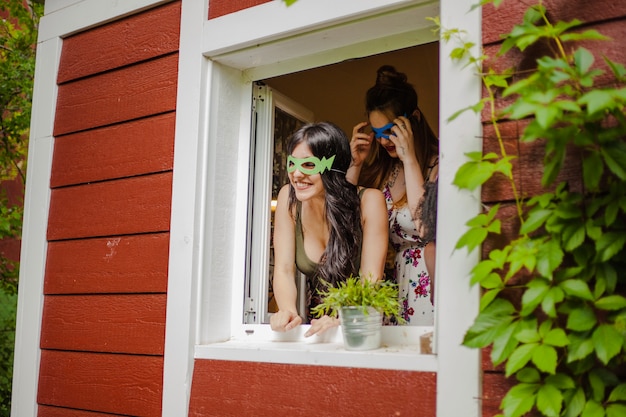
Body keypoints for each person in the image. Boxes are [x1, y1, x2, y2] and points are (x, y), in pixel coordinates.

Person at [270, 122, 388, 337]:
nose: (296, 174)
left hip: (363, 320)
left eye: (308, 165)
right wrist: (287, 310)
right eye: (292, 164)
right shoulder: (289, 198)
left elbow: (370, 280)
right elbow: (284, 269)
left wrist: (341, 320)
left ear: (333, 166)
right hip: (317, 324)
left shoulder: (370, 201)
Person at [348, 65, 439, 326]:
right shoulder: (383, 172)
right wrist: (355, 165)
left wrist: (410, 158)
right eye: (377, 134)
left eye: (390, 130)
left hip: (427, 284)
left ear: (414, 119)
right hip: (388, 287)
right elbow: (344, 222)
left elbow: (425, 228)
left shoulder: (440, 165)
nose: (383, 140)